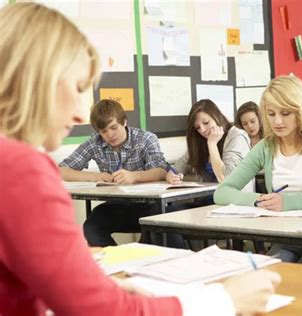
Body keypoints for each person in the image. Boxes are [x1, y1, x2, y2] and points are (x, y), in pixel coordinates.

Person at [0, 3, 280, 315]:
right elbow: (95, 309)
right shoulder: (20, 168)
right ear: (37, 81)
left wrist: (103, 290)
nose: (80, 112)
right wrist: (225, 300)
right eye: (78, 87)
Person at [214, 75, 302, 267]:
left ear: (300, 111)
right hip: (285, 240)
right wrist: (259, 200)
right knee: (268, 275)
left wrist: (288, 202)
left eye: (286, 113)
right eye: (271, 114)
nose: (277, 121)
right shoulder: (266, 146)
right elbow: (222, 192)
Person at [59, 99, 169, 247]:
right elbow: (61, 171)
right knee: (92, 226)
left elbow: (161, 171)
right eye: (103, 131)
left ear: (124, 122)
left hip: (148, 205)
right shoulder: (95, 142)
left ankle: (140, 262)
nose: (110, 135)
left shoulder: (145, 139)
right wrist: (94, 177)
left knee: (156, 224)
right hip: (119, 205)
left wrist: (134, 176)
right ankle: (117, 262)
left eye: (114, 127)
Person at [166, 99, 252, 189]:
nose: (202, 130)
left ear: (217, 117)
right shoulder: (202, 140)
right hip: (206, 199)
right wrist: (171, 175)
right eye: (198, 127)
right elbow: (180, 165)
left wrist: (212, 144)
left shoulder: (237, 136)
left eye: (206, 123)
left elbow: (226, 178)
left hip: (232, 200)